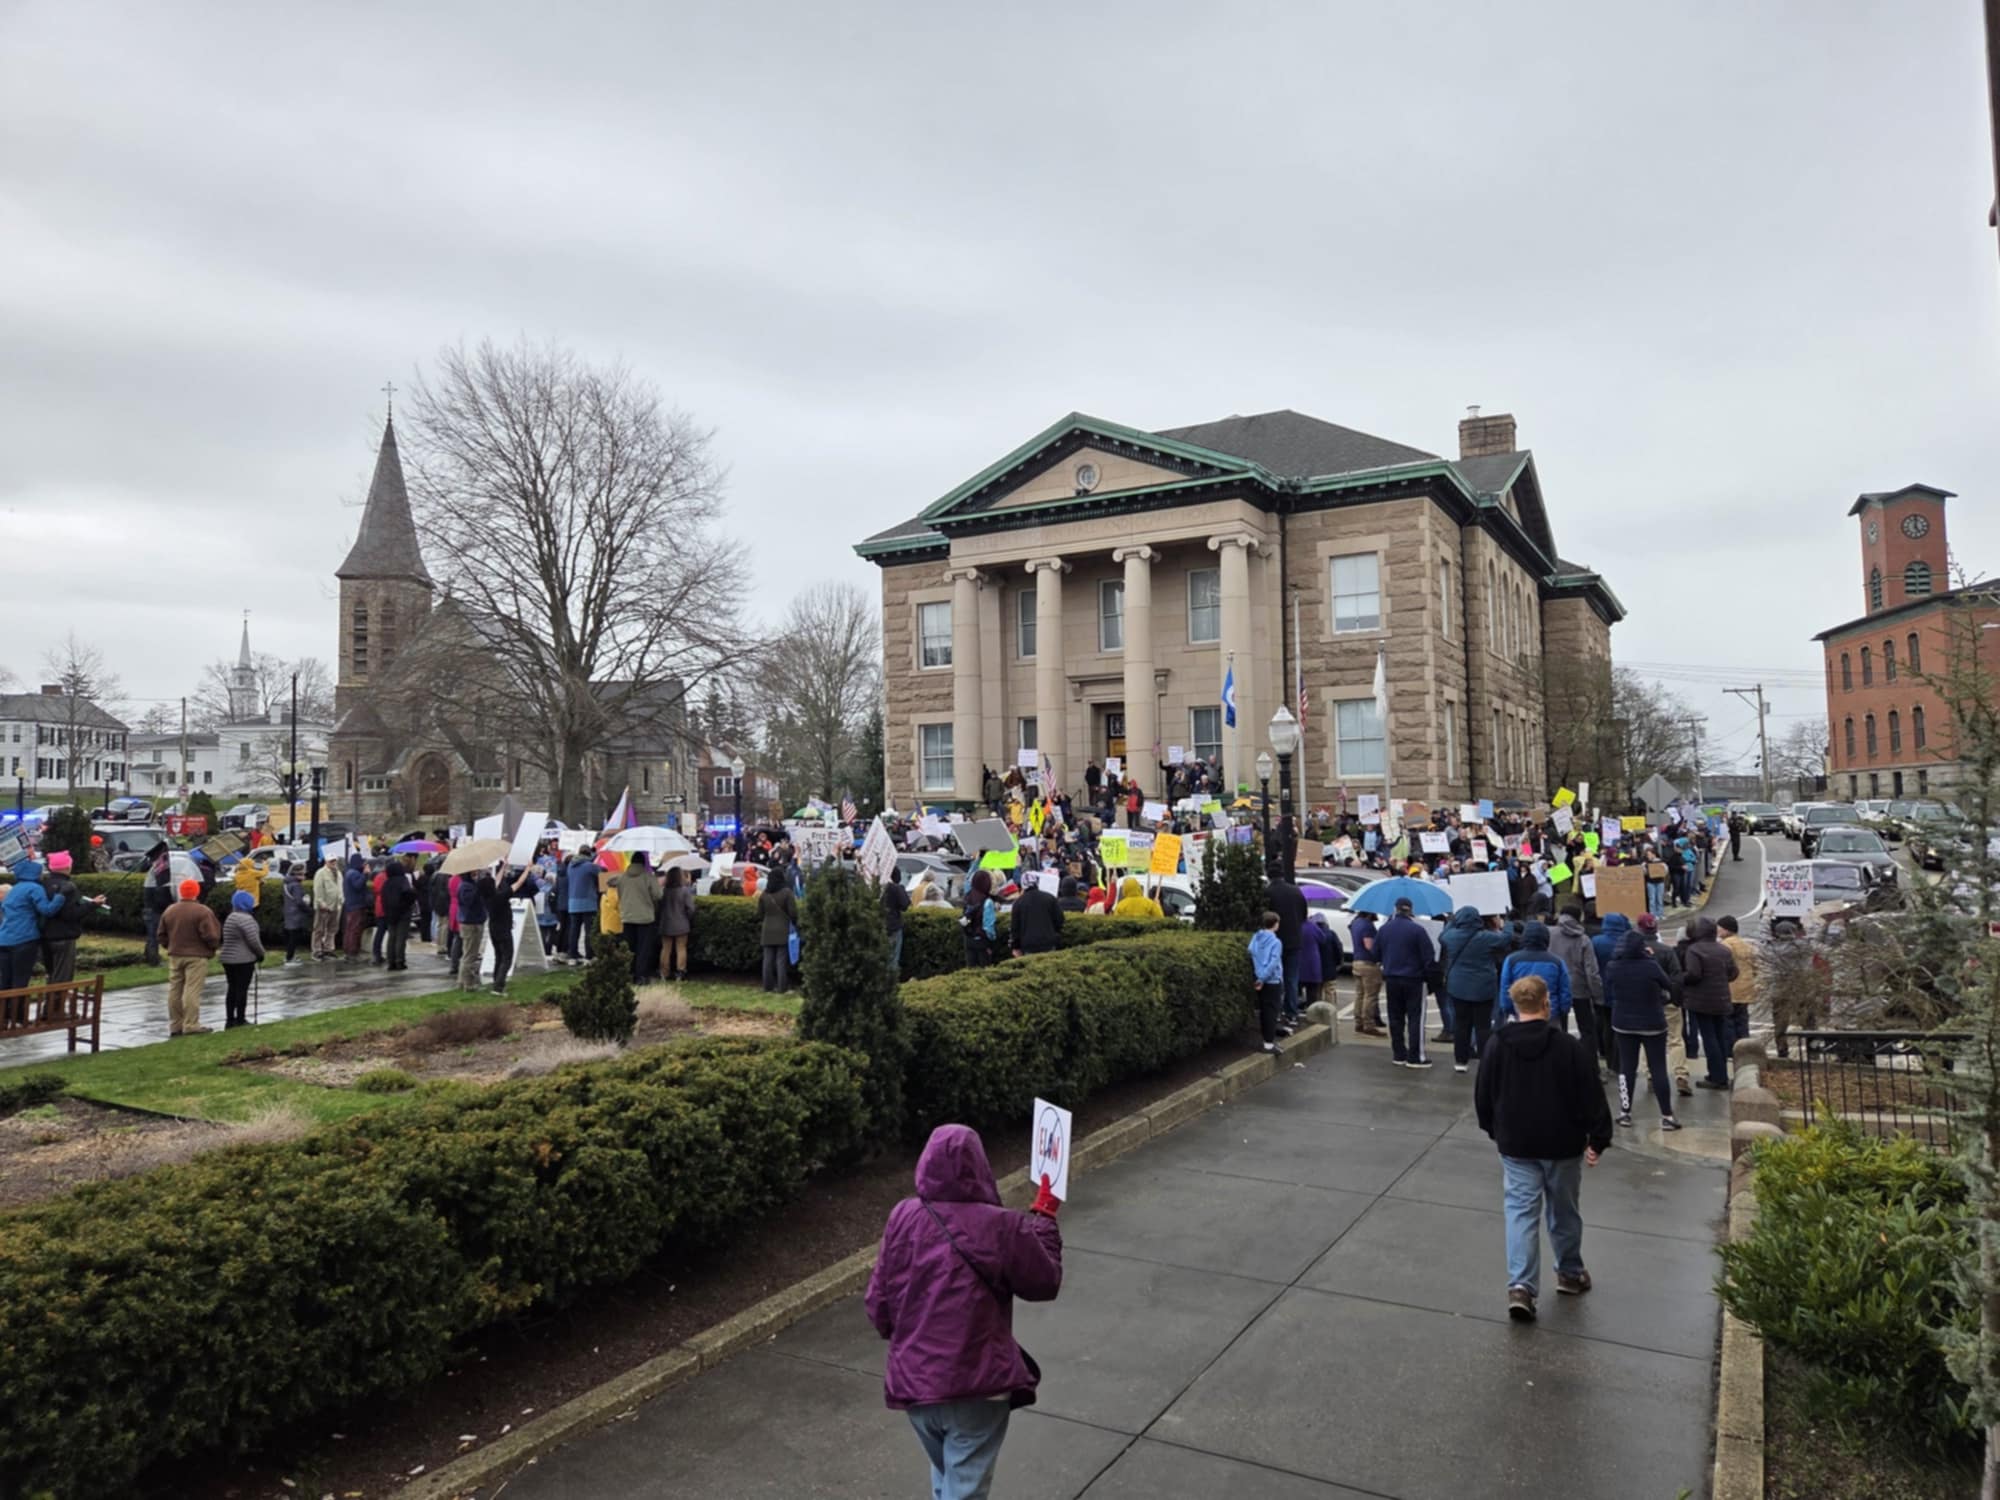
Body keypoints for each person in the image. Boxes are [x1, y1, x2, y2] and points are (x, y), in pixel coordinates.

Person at [865, 1124, 1062, 1500]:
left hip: (917, 1385)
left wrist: (910, 1342)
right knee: (963, 1488)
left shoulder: (903, 1216)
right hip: (978, 1385)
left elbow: (879, 1303)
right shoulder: (1002, 1226)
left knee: (947, 1479)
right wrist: (1046, 1219)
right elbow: (1044, 1282)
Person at [1475, 974, 1613, 1322]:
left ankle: (1521, 1286)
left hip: (1517, 1141)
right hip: (1562, 1142)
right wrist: (1598, 1138)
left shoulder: (1497, 1043)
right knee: (1564, 1209)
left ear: (1515, 1005)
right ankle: (1569, 1271)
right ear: (1546, 1003)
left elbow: (1484, 1093)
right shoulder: (1568, 1047)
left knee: (1521, 1213)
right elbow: (1591, 1095)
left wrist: (1494, 1129)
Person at [1602, 928, 1682, 1131]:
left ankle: (1625, 1113)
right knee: (1658, 1069)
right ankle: (1667, 1115)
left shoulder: (1613, 966)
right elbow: (1668, 984)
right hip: (1652, 1021)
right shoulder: (1650, 966)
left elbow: (1608, 988)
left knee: (1627, 1068)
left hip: (1623, 1022)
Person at [1439, 906, 1509, 1073]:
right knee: (1483, 1026)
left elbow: (1441, 937)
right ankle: (1485, 1060)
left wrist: (1452, 920)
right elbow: (1506, 938)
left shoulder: (1450, 936)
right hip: (1483, 987)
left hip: (1458, 987)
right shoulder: (1486, 937)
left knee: (1461, 1025)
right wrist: (1508, 922)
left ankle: (1460, 1061)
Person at [1679, 916, 1740, 1089]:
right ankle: (1720, 1074)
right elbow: (1733, 973)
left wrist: (1680, 978)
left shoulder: (1694, 950)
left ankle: (1716, 1077)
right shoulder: (1723, 950)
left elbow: (1694, 974)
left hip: (1701, 1000)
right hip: (1721, 998)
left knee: (1709, 1037)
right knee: (1720, 1036)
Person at [158, 878, 221, 1036]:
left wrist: (169, 946)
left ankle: (176, 1024)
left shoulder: (170, 910)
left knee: (175, 990)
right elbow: (212, 936)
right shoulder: (203, 911)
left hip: (175, 954)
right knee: (191, 990)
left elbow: (161, 934)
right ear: (196, 892)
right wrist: (212, 948)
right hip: (196, 956)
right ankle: (191, 1024)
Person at [1377, 896, 1435, 1068]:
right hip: (1413, 979)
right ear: (1410, 910)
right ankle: (1415, 1056)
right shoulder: (1418, 930)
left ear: (1395, 909)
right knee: (1415, 1018)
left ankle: (1398, 1053)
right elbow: (1429, 957)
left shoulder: (1384, 929)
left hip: (1391, 978)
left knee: (1395, 1017)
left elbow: (1375, 953)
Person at [1550, 904, 1607, 1071]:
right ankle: (1591, 1067)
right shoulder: (1583, 939)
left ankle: (1560, 1065)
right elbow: (1592, 970)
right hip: (1579, 987)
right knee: (1587, 1029)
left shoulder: (1550, 934)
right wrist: (1597, 995)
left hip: (1557, 986)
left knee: (1559, 1028)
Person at [0, 857, 68, 992]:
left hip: (4, 940)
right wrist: (60, 896)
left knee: (5, 982)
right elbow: (47, 910)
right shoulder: (34, 888)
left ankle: (4, 1012)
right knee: (20, 981)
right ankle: (17, 1013)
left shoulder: (14, 889)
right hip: (24, 940)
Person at [38, 851, 100, 985]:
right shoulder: (68, 887)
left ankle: (49, 1005)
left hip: (45, 936)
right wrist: (92, 905)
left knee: (51, 974)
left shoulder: (43, 884)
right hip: (64, 936)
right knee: (62, 979)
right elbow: (70, 914)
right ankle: (56, 1005)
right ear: (67, 867)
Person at [1496, 922, 1573, 1030]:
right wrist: (1563, 1010)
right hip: (1550, 1013)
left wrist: (1509, 1009)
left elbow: (1505, 989)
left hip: (1521, 1013)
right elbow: (1565, 991)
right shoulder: (1557, 962)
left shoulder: (1511, 960)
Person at [1266, 869, 1309, 1028]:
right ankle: (1291, 1013)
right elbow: (1304, 915)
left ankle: (1276, 1012)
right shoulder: (1296, 892)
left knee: (1275, 977)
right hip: (1294, 940)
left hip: (1275, 940)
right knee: (1292, 978)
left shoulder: (1268, 892)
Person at [612, 851, 663, 983]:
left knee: (629, 948)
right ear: (644, 863)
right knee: (643, 949)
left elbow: (615, 889)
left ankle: (628, 973)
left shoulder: (622, 878)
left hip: (627, 917)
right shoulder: (648, 877)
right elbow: (658, 895)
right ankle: (641, 976)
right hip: (645, 918)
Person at [218, 890, 265, 1029]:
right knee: (242, 989)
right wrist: (261, 954)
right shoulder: (246, 919)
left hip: (228, 959)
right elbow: (254, 941)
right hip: (243, 959)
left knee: (232, 988)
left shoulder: (231, 917)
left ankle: (229, 1019)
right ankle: (240, 1018)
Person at [1716, 914, 1757, 1046]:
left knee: (1728, 1022)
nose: (1717, 930)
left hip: (1730, 988)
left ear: (1727, 930)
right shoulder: (1746, 945)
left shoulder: (1725, 946)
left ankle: (1731, 1050)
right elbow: (1755, 967)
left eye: (1720, 928)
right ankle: (1745, 1048)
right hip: (1746, 989)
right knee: (1742, 1020)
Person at [1250, 910, 1287, 1053]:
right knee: (1272, 1012)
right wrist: (1263, 977)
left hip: (1259, 976)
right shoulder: (1276, 942)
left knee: (1264, 1011)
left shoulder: (1256, 937)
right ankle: (1269, 1043)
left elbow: (1251, 950)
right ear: (1275, 924)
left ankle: (1266, 1040)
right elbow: (1273, 962)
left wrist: (1259, 975)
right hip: (1271, 980)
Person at [759, 870, 799, 994]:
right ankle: (782, 988)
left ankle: (767, 987)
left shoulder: (764, 894)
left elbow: (759, 914)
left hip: (767, 929)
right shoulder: (787, 892)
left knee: (767, 959)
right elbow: (793, 912)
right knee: (781, 960)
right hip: (783, 928)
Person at [456, 861, 491, 991]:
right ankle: (468, 983)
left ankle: (461, 981)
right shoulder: (466, 886)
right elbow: (469, 901)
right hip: (471, 923)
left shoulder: (469, 885)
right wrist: (478, 889)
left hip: (473, 921)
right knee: (470, 955)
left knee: (468, 954)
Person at [1348, 908, 1384, 1036]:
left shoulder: (1356, 922)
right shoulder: (1367, 926)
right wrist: (1380, 955)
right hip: (1368, 964)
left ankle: (1359, 1022)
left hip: (1357, 961)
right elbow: (1369, 945)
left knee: (1360, 994)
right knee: (1370, 996)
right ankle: (1368, 1024)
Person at [659, 866, 696, 982]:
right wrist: (687, 918)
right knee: (681, 948)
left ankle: (664, 972)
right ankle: (680, 972)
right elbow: (691, 908)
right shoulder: (685, 891)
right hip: (681, 923)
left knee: (666, 949)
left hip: (666, 923)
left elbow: (658, 907)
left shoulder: (664, 891)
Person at [1009, 878, 1064, 957]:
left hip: (1028, 945)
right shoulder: (1050, 898)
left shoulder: (1018, 902)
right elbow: (1060, 920)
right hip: (1048, 942)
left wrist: (1015, 946)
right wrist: (1055, 935)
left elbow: (1015, 928)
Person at [381, 854, 417, 971]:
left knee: (392, 937)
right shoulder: (403, 880)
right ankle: (400, 960)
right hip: (403, 913)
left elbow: (383, 899)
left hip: (390, 913)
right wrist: (412, 897)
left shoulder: (387, 883)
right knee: (401, 938)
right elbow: (408, 894)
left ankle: (390, 961)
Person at [564, 851, 600, 962]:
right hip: (588, 903)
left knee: (574, 930)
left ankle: (572, 954)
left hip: (573, 903)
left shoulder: (570, 866)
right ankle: (590, 955)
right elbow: (602, 872)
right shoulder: (590, 866)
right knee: (589, 931)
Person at [959, 870, 998, 967]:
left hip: (968, 940)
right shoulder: (987, 901)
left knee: (971, 971)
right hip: (982, 942)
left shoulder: (967, 897)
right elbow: (989, 928)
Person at [142, 846, 173, 965]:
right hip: (154, 908)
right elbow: (160, 895)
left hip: (150, 907)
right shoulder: (159, 871)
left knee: (151, 935)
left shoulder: (154, 868)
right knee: (153, 935)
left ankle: (149, 956)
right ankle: (153, 960)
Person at [280, 862, 310, 965]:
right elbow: (299, 902)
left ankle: (288, 956)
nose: (304, 876)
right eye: (302, 874)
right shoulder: (296, 886)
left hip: (289, 913)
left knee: (289, 938)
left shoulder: (286, 883)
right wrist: (308, 909)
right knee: (294, 938)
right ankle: (290, 958)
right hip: (296, 915)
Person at [310, 857, 341, 960]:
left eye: (334, 860)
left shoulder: (339, 873)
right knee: (319, 929)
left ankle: (329, 949)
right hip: (324, 906)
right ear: (326, 862)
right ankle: (316, 950)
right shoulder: (321, 873)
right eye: (331, 861)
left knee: (332, 929)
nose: (333, 862)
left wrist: (341, 901)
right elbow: (317, 889)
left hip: (336, 905)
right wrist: (321, 903)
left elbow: (340, 888)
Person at [340, 853, 369, 960]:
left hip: (350, 905)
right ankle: (352, 951)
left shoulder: (349, 872)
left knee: (349, 929)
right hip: (356, 905)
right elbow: (358, 885)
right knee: (354, 929)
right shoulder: (354, 874)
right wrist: (365, 874)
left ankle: (348, 949)